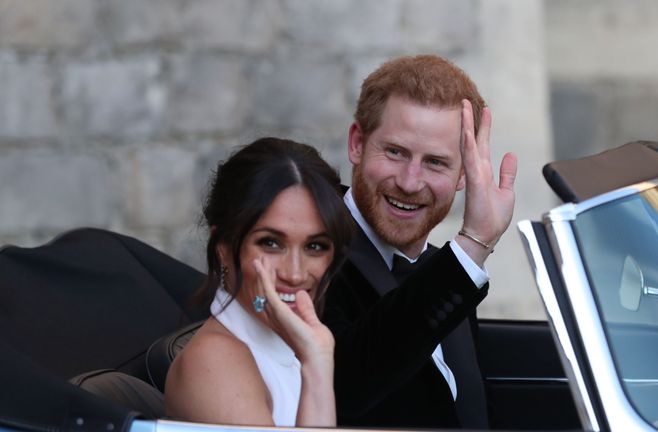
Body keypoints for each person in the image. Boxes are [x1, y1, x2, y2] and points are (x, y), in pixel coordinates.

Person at [322, 55, 518, 428]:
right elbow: (346, 387)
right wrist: (474, 243)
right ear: (357, 144)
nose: (410, 182)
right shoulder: (312, 251)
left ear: (464, 175)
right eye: (395, 152)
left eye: (436, 163)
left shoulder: (443, 269)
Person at [164, 137, 353, 427]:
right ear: (223, 247)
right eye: (270, 243)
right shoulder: (213, 361)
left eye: (315, 247)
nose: (294, 273)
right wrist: (317, 366)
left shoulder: (287, 347)